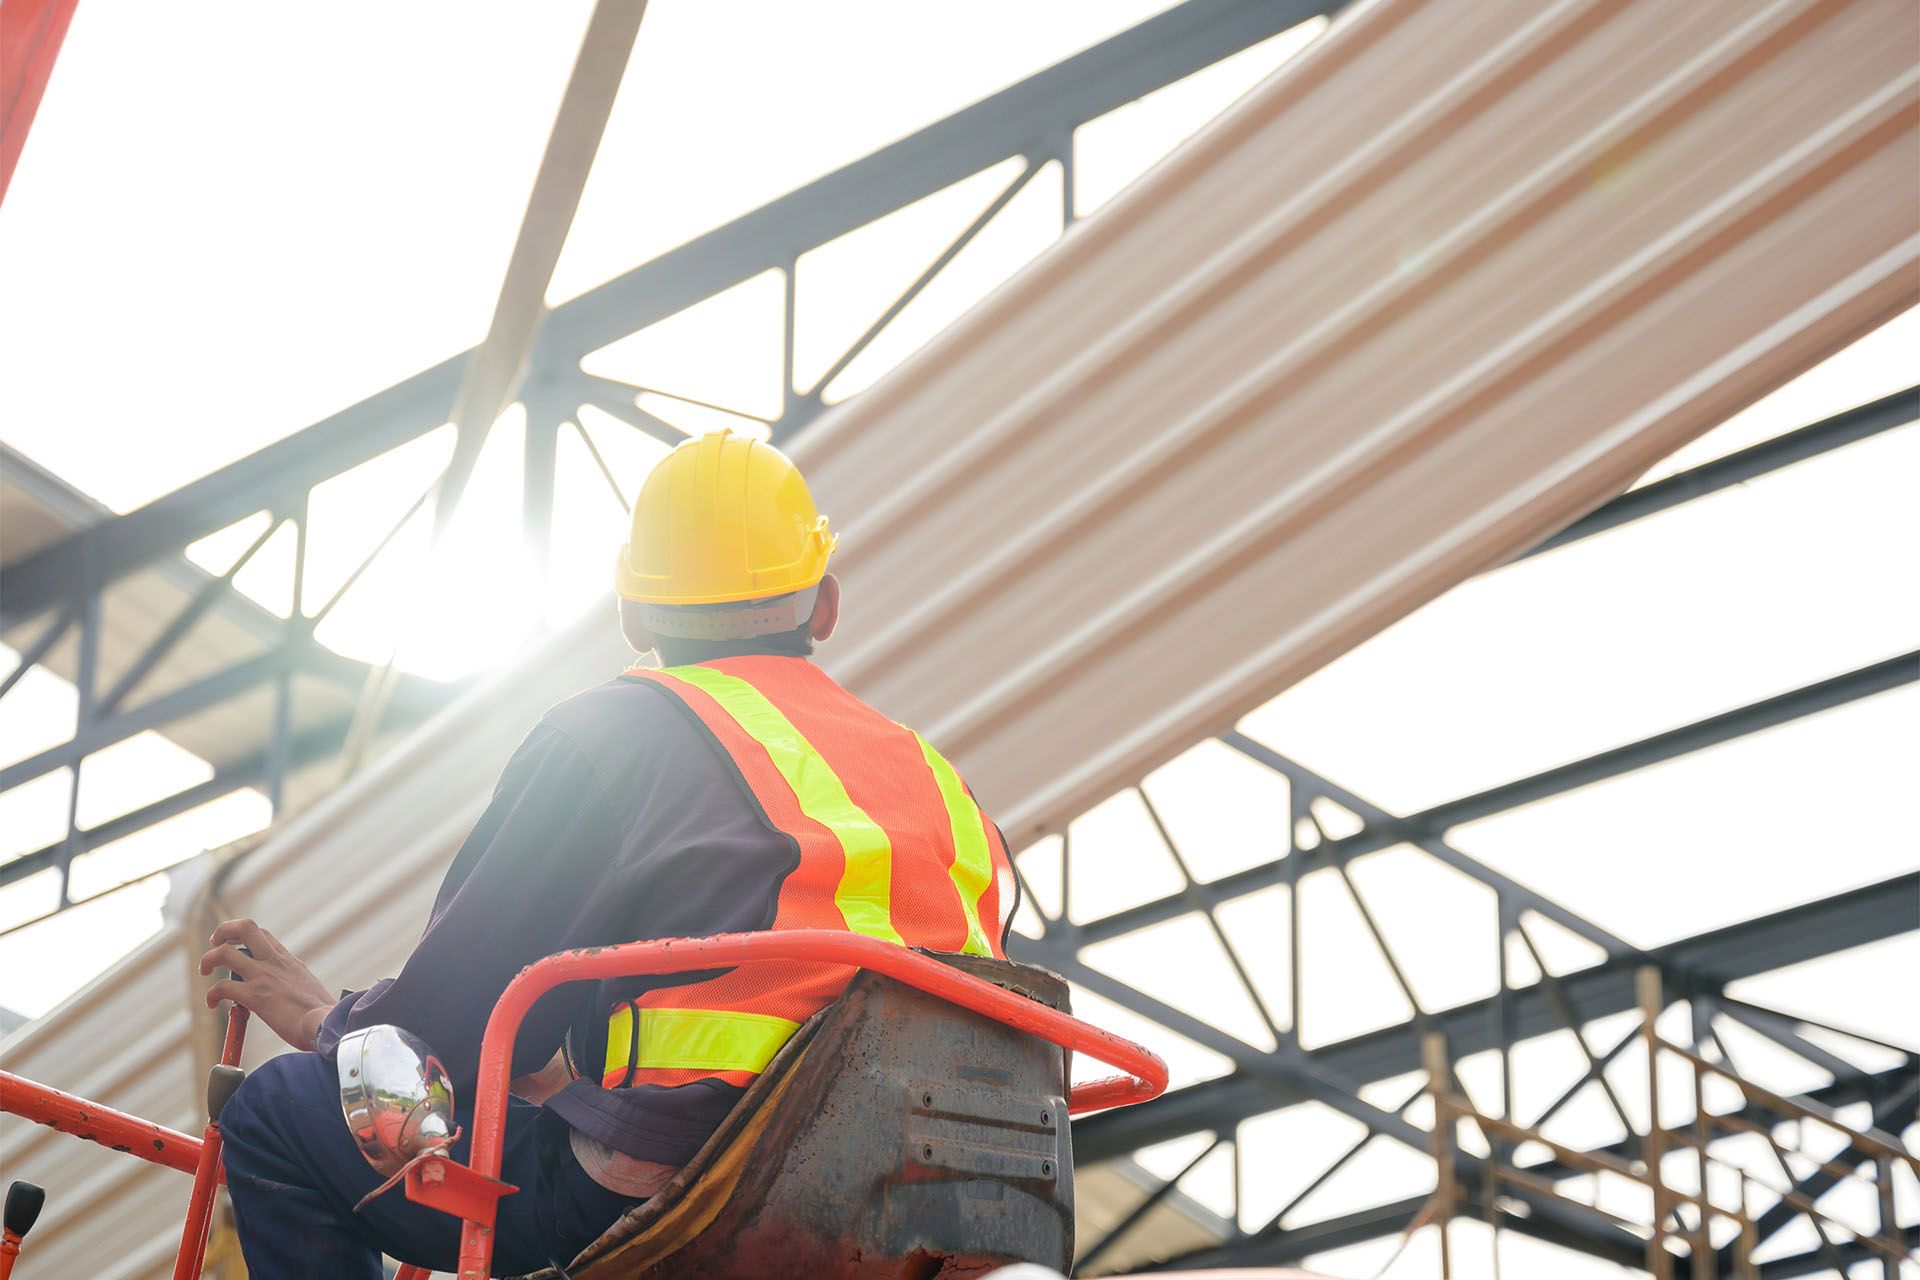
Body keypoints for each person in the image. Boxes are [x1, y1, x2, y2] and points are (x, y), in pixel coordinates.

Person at [203, 429, 1021, 1279]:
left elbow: (440, 1039)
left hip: (706, 1199)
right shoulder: (941, 783)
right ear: (824, 607)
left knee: (276, 1114)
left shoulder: (612, 734)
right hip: (957, 1207)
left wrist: (324, 1024)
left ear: (632, 614)